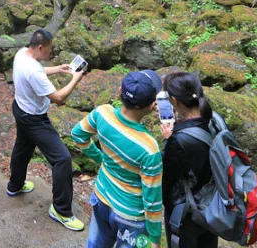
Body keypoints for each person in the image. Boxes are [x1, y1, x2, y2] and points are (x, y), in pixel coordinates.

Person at [71, 70, 164, 248]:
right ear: (151, 106)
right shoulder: (149, 148)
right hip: (130, 217)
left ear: (120, 92)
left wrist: (100, 158)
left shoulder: (102, 113)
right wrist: (154, 238)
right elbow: (152, 200)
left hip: (101, 195)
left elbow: (78, 135)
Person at [7, 29, 86, 232]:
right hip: (34, 119)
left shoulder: (22, 53)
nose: (51, 53)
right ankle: (61, 210)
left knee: (22, 147)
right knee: (62, 159)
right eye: (49, 49)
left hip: (20, 108)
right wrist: (75, 78)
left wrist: (58, 69)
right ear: (40, 47)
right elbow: (59, 98)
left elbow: (39, 71)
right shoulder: (33, 70)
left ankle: (15, 185)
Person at [160, 72, 217, 248]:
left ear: (175, 101)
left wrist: (168, 139)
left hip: (185, 212)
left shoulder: (178, 140)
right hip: (212, 203)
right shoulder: (214, 120)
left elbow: (166, 181)